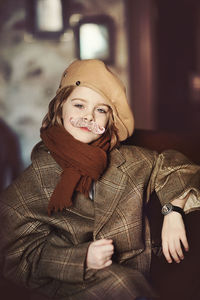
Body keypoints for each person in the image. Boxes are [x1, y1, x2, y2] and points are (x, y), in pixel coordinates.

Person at [0, 59, 199, 300]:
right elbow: (15, 255)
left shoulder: (129, 160)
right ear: (60, 108)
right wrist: (80, 259)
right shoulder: (33, 181)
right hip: (71, 286)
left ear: (110, 121)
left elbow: (177, 165)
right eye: (79, 105)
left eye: (101, 110)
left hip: (137, 277)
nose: (89, 116)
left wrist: (172, 211)